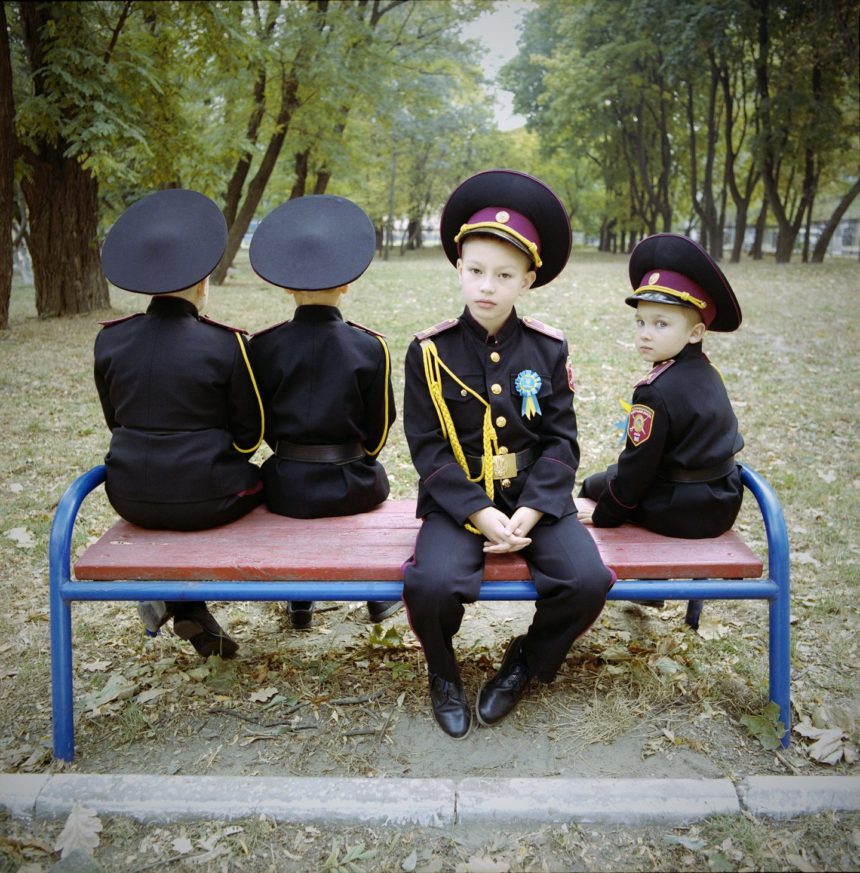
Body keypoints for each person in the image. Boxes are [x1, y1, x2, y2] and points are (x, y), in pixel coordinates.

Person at [402, 169, 615, 739]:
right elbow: (427, 446)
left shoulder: (547, 348)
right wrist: (477, 511)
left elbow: (562, 439)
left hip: (533, 498)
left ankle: (525, 660)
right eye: (475, 271)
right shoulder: (429, 351)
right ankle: (443, 672)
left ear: (527, 280)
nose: (486, 286)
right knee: (432, 585)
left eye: (503, 274)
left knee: (587, 580)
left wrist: (535, 507)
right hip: (459, 500)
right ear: (458, 267)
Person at [95, 188, 265, 658]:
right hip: (207, 498)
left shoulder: (110, 341)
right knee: (266, 484)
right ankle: (289, 605)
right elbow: (249, 437)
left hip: (128, 494)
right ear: (203, 282)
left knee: (183, 499)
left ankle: (183, 603)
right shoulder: (226, 344)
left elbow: (115, 421)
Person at [248, 194, 401, 630]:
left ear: (287, 287)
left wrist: (289, 450)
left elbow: (258, 423)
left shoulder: (263, 346)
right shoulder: (369, 346)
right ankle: (375, 595)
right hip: (352, 484)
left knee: (299, 512)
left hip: (285, 484)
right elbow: (379, 429)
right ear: (347, 284)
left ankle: (300, 601)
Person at [577, 233, 744, 629]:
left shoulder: (654, 390)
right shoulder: (707, 372)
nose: (645, 333)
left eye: (661, 324)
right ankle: (649, 586)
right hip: (722, 498)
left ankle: (643, 584)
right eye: (640, 322)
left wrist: (605, 515)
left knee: (594, 487)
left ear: (695, 332)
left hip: (682, 512)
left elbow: (636, 470)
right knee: (607, 482)